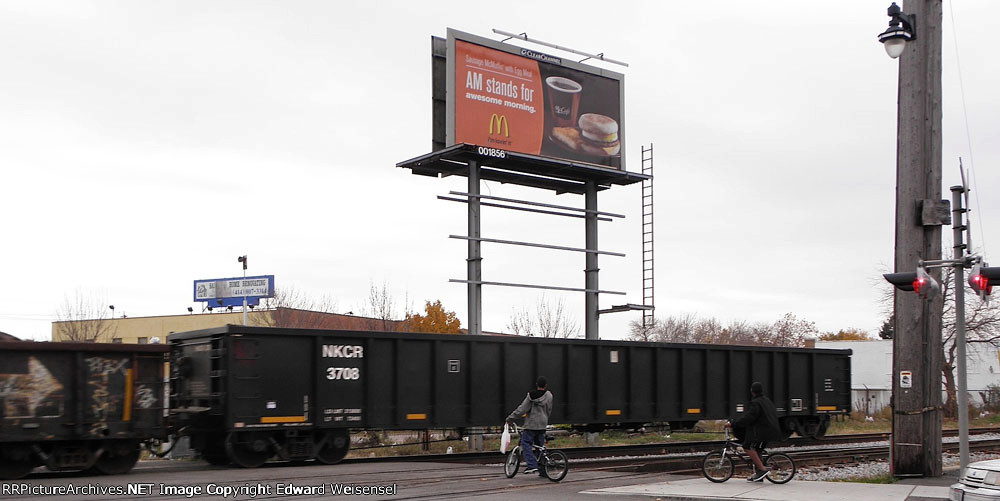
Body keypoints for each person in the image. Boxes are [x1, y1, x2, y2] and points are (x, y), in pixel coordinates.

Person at [726, 381, 782, 482]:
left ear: (752, 391)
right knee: (756, 449)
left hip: (763, 431)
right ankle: (759, 475)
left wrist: (733, 424)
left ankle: (762, 469)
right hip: (770, 430)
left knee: (747, 446)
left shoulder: (756, 402)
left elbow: (750, 417)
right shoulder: (766, 400)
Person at [506, 376, 553, 475]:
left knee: (525, 443)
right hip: (543, 424)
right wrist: (545, 419)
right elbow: (549, 410)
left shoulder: (531, 395)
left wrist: (510, 418)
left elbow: (522, 409)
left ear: (537, 385)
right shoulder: (549, 396)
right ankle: (544, 470)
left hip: (531, 425)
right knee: (540, 446)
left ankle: (532, 465)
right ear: (546, 385)